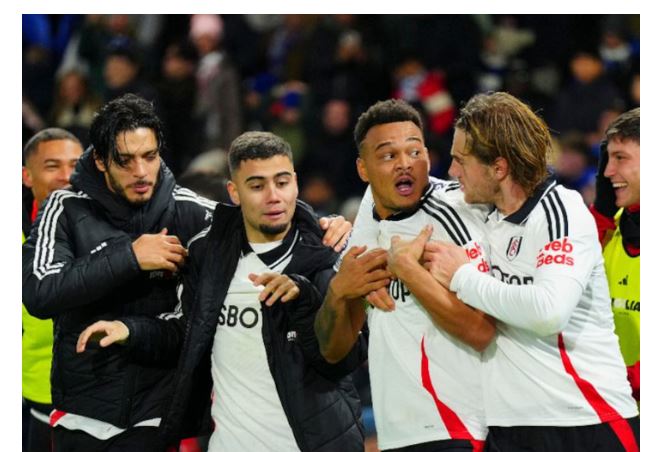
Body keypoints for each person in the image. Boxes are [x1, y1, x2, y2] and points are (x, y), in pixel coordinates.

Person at [76, 131, 367, 451]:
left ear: (295, 183)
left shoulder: (329, 251)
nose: (273, 196)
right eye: (257, 186)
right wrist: (130, 330)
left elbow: (344, 360)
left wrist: (305, 297)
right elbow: (186, 330)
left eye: (282, 182)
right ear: (234, 192)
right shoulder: (207, 253)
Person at [424, 92, 639, 451]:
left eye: (461, 161)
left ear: (498, 168)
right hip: (509, 428)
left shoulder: (561, 211)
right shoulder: (476, 212)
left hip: (585, 421)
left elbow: (548, 312)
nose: (452, 172)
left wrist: (462, 277)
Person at [315, 99, 495, 452]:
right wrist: (338, 292)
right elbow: (333, 351)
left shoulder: (458, 212)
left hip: (459, 428)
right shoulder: (368, 218)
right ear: (363, 169)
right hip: (396, 433)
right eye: (388, 155)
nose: (405, 164)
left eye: (415, 151)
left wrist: (410, 273)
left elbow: (482, 332)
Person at [22, 128, 82, 452]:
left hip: (95, 398)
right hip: (34, 399)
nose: (66, 176)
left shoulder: (113, 229)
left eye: (75, 165)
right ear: (26, 176)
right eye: (52, 166)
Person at [590, 107, 639, 401]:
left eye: (620, 158)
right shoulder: (611, 228)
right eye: (607, 159)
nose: (608, 172)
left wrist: (612, 378)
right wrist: (601, 213)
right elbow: (567, 277)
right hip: (614, 410)